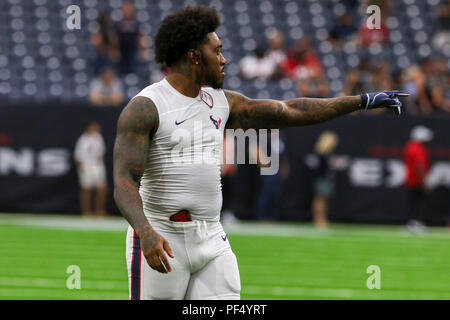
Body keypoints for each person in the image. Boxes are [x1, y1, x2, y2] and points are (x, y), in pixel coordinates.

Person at [112, 6, 407, 300]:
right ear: (194, 56)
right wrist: (145, 231)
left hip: (212, 237)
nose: (224, 59)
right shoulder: (146, 106)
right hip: (162, 235)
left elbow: (291, 110)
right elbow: (124, 182)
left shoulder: (222, 102)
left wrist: (361, 100)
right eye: (218, 51)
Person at [74, 122, 108, 217]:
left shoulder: (99, 138)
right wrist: (82, 168)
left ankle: (99, 210)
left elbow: (101, 154)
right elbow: (78, 156)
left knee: (101, 189)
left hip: (97, 166)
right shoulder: (83, 140)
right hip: (86, 167)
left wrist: (100, 166)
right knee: (86, 189)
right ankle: (86, 212)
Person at [403, 126, 433, 231]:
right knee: (419, 202)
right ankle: (416, 222)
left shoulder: (410, 146)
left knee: (414, 202)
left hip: (411, 179)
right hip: (417, 180)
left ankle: (412, 221)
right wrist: (425, 181)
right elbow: (419, 166)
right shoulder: (417, 148)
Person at [307, 131, 339, 228]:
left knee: (323, 200)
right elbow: (318, 169)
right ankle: (319, 219)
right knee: (320, 199)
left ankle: (322, 219)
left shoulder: (327, 154)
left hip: (325, 179)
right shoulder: (321, 154)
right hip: (321, 180)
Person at [112, 1, 148, 75]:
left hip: (133, 51)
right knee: (120, 72)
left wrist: (141, 51)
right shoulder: (118, 24)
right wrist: (115, 50)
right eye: (125, 8)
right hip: (121, 52)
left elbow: (140, 37)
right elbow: (114, 38)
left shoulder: (136, 23)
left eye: (128, 8)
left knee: (135, 71)